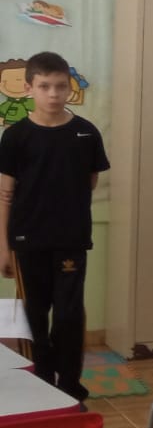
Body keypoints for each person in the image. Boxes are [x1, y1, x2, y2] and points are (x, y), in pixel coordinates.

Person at [0, 52, 108, 403]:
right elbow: (5, 195)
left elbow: (90, 181)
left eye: (60, 86)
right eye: (44, 86)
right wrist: (4, 247)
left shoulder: (86, 132)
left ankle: (70, 383)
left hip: (71, 239)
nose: (53, 93)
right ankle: (42, 380)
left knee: (68, 313)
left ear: (68, 88)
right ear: (29, 88)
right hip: (27, 240)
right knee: (34, 313)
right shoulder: (15, 136)